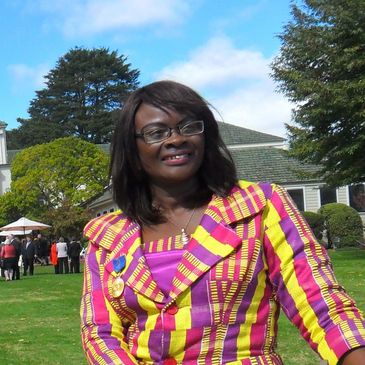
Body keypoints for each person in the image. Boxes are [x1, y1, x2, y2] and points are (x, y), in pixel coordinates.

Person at [80, 80, 365, 365]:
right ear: (133, 148)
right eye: (156, 133)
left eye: (189, 126)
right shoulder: (108, 236)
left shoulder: (260, 206)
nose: (176, 139)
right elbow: (100, 332)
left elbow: (320, 303)